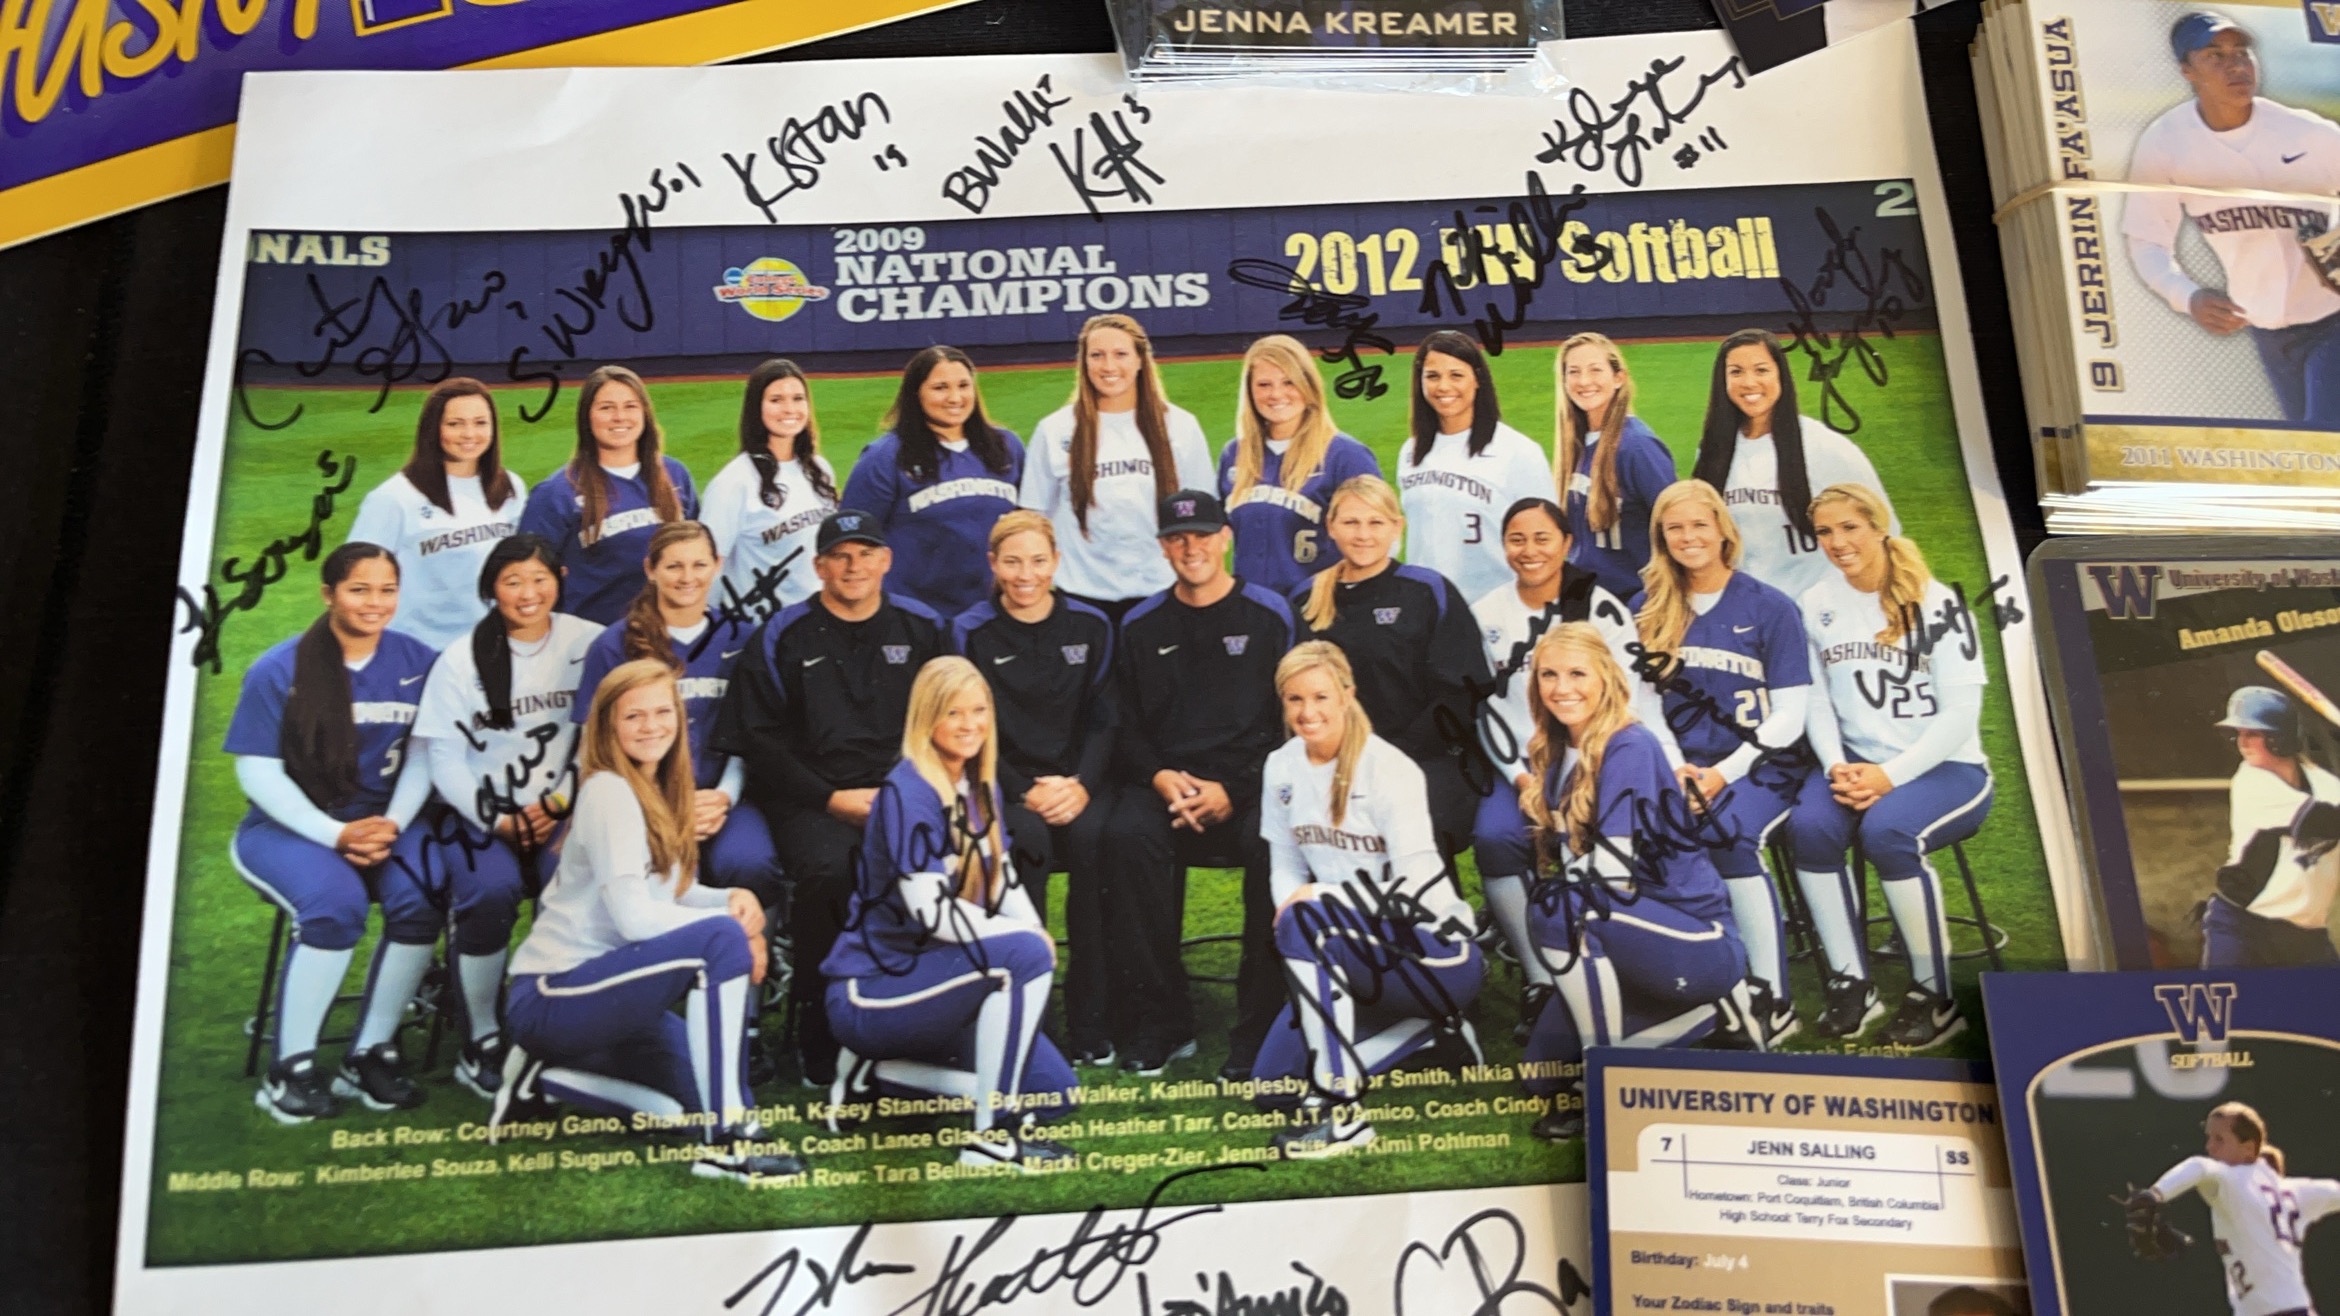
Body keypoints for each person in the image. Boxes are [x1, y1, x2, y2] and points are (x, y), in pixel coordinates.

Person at [493, 659, 797, 1184]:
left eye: (662, 712)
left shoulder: (658, 787)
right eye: (633, 716)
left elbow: (669, 892)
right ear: (608, 725)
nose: (651, 726)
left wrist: (732, 899)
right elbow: (636, 920)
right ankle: (726, 1141)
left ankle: (539, 1079)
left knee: (689, 1106)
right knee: (718, 945)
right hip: (553, 992)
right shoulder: (609, 791)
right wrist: (733, 932)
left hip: (617, 989)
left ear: (679, 718)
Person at [710, 509, 947, 1084]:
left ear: (886, 560)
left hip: (904, 794)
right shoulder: (783, 634)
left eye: (865, 554)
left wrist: (903, 796)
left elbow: (951, 719)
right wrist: (830, 798)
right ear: (819, 567)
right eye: (840, 556)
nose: (853, 566)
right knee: (830, 874)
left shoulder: (923, 626)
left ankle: (928, 1025)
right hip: (812, 800)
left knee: (934, 870)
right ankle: (823, 1038)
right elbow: (760, 741)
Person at [822, 656, 1078, 1168]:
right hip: (874, 989)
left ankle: (873, 1077)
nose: (969, 725)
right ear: (927, 718)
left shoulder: (977, 782)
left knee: (1054, 1094)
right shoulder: (909, 791)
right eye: (953, 713)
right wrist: (1024, 943)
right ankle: (990, 1137)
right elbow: (933, 914)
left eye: (978, 711)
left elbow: (1001, 877)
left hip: (943, 980)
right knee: (1022, 955)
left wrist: (1031, 929)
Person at [224, 543, 438, 1122]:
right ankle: (290, 1067)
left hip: (386, 822)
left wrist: (393, 824)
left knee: (423, 897)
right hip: (291, 827)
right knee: (335, 906)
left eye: (387, 590)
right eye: (359, 589)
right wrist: (334, 835)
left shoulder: (419, 660)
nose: (375, 603)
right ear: (328, 594)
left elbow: (425, 754)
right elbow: (257, 771)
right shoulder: (279, 668)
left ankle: (371, 1051)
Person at [1515, 624, 1752, 1143]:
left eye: (1577, 674)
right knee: (1541, 1075)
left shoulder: (1630, 744)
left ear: (1606, 677)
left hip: (1695, 938)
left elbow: (1613, 875)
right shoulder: (1557, 748)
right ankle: (1708, 1018)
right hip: (1631, 933)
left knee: (1561, 908)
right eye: (1549, 675)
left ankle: (1608, 1080)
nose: (1562, 688)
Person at [1250, 641, 1485, 1158]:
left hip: (1434, 951)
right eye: (1294, 699)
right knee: (1274, 1087)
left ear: (1347, 694)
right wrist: (1294, 906)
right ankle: (1431, 1034)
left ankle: (1345, 1115)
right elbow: (1285, 864)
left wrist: (1317, 899)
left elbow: (1415, 884)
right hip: (1350, 948)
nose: (1307, 712)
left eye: (1320, 697)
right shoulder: (1281, 766)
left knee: (1310, 919)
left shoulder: (1388, 768)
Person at [1787, 483, 1992, 1049]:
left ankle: (1935, 996)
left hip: (1946, 768)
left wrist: (1889, 777)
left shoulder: (1939, 604)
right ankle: (1852, 982)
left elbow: (1961, 717)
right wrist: (1835, 766)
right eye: (1825, 532)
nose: (1837, 542)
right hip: (1854, 763)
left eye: (1850, 527)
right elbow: (1816, 698)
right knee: (1809, 827)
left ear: (1880, 527)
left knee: (1889, 832)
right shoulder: (1816, 601)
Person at [1470, 497, 1674, 1044]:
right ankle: (1540, 979)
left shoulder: (1600, 607)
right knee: (1495, 837)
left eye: (1543, 538)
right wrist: (1521, 778)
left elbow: (1630, 695)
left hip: (1595, 757)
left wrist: (1604, 770)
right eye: (1517, 539)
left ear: (1567, 543)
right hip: (1521, 763)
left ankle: (1615, 961)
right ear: (1503, 545)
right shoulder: (1486, 613)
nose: (1529, 550)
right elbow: (1485, 711)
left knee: (1608, 843)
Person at [1106, 490, 1295, 1078]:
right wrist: (1160, 777)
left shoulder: (1270, 614)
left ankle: (1257, 1029)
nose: (1192, 549)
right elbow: (1123, 722)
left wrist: (1234, 789)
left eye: (1204, 536)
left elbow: (1289, 722)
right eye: (1178, 538)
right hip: (1167, 788)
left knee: (1272, 845)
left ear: (1226, 538)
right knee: (1124, 838)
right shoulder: (1140, 623)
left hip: (1249, 786)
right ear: (1163, 547)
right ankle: (1161, 1022)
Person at [408, 534, 601, 1098]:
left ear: (560, 580)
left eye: (539, 579)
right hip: (480, 816)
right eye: (512, 581)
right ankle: (482, 1036)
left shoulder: (589, 641)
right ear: (491, 589)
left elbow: (597, 739)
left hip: (561, 810)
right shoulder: (461, 657)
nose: (528, 593)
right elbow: (444, 759)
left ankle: (563, 1027)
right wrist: (497, 820)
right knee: (489, 891)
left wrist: (559, 802)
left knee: (573, 882)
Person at [1632, 480, 1814, 1047]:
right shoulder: (1647, 608)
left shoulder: (1770, 606)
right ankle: (1690, 982)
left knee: (1728, 835)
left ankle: (1771, 997)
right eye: (1675, 528)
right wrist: (1675, 768)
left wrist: (1721, 773)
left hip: (1760, 765)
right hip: (1683, 769)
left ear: (1722, 531)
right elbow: (1643, 706)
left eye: (1698, 525)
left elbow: (1791, 715)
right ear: (1661, 538)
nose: (1688, 537)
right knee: (1638, 833)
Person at [949, 511, 1119, 1064]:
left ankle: (1093, 1022)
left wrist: (1081, 785)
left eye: (1039, 561)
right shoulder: (969, 631)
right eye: (1013, 562)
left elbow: (1104, 718)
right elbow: (968, 729)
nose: (1026, 575)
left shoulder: (1091, 626)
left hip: (1076, 785)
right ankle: (1033, 1022)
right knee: (1027, 842)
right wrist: (1023, 790)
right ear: (993, 564)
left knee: (1098, 840)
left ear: (1057, 561)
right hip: (1004, 788)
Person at [2123, 11, 2340, 429]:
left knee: (2327, 435)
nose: (2236, 65)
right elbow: (2146, 239)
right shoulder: (2166, 143)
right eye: (2215, 55)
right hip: (2266, 331)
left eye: (2241, 52)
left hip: (2334, 321)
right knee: (2311, 453)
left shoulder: (2309, 134)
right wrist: (2187, 296)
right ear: (2187, 71)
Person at [574, 522, 783, 910]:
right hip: (641, 796)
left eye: (699, 564)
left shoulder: (741, 636)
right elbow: (594, 742)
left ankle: (759, 948)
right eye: (673, 566)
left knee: (750, 862)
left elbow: (749, 732)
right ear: (650, 569)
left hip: (719, 794)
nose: (688, 577)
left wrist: (724, 796)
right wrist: (655, 802)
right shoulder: (614, 644)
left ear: (717, 564)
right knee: (666, 875)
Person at [1293, 474, 1490, 861]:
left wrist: (1387, 759)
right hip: (1333, 760)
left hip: (1426, 757)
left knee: (1413, 829)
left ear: (1397, 526)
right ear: (1331, 526)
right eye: (1351, 522)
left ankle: (1435, 902)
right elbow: (1293, 695)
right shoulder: (1305, 598)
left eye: (1376, 522)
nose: (1363, 534)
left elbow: (1462, 692)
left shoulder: (1427, 590)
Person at [1019, 314, 1213, 620]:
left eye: (1120, 354)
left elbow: (1201, 515)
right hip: (1080, 597)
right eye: (1097, 355)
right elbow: (1034, 517)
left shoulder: (1180, 425)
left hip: (1162, 591)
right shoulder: (1054, 430)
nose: (1108, 366)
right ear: (1084, 363)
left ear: (1140, 360)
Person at [1690, 328, 1895, 604]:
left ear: (1781, 375)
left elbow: (1886, 529)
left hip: (1817, 608)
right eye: (1736, 372)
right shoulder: (1713, 450)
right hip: (1746, 606)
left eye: (1761, 370)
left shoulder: (1825, 446)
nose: (1749, 382)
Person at [840, 346, 1025, 617]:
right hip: (914, 616)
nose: (955, 398)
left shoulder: (1007, 447)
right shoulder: (884, 456)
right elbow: (852, 538)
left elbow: (1029, 527)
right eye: (940, 388)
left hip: (995, 613)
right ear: (916, 394)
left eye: (963, 386)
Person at [346, 377, 527, 651]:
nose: (469, 434)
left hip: (491, 645)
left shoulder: (510, 487)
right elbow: (355, 577)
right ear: (433, 429)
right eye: (455, 424)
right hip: (420, 648)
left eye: (480, 422)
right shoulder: (394, 498)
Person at [519, 365, 700, 625]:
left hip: (669, 630)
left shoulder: (674, 474)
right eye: (606, 408)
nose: (619, 417)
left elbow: (697, 554)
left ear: (645, 413)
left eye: (630, 406)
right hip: (591, 635)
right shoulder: (555, 493)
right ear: (587, 417)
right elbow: (526, 575)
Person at [2135, 1102, 2340, 1316]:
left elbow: (2199, 1166)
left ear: (2248, 1149)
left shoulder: (2235, 1180)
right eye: (2209, 1137)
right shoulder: (2295, 1191)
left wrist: (2155, 1194)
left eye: (2219, 1139)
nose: (2210, 1147)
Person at [1218, 334, 1384, 597]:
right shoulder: (1234, 455)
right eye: (1264, 384)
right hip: (1252, 609)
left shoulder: (1345, 455)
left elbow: (1381, 540)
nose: (1276, 394)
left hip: (1322, 606)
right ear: (1249, 391)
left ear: (1308, 385)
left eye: (1289, 382)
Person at [1394, 329, 1553, 605]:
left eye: (1456, 375)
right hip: (1427, 608)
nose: (1444, 387)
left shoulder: (1518, 452)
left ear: (1477, 379)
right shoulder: (1410, 452)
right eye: (1432, 376)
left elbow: (1548, 540)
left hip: (1497, 607)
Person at [2200, 685, 2340, 967]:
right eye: (2239, 733)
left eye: (2253, 734)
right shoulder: (2250, 782)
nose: (2243, 743)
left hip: (2307, 936)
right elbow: (2321, 822)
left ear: (2279, 739)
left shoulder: (2326, 785)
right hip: (2244, 929)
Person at [699, 359, 840, 623]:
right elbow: (706, 569)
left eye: (798, 398)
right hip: (760, 627)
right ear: (756, 407)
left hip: (820, 622)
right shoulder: (733, 482)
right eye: (776, 400)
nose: (789, 409)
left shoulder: (820, 470)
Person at [1555, 332, 1678, 602]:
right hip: (1585, 599)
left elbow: (1677, 526)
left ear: (1618, 378)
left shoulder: (1638, 447)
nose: (1583, 381)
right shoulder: (1576, 444)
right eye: (1573, 372)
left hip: (1634, 602)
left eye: (1595, 370)